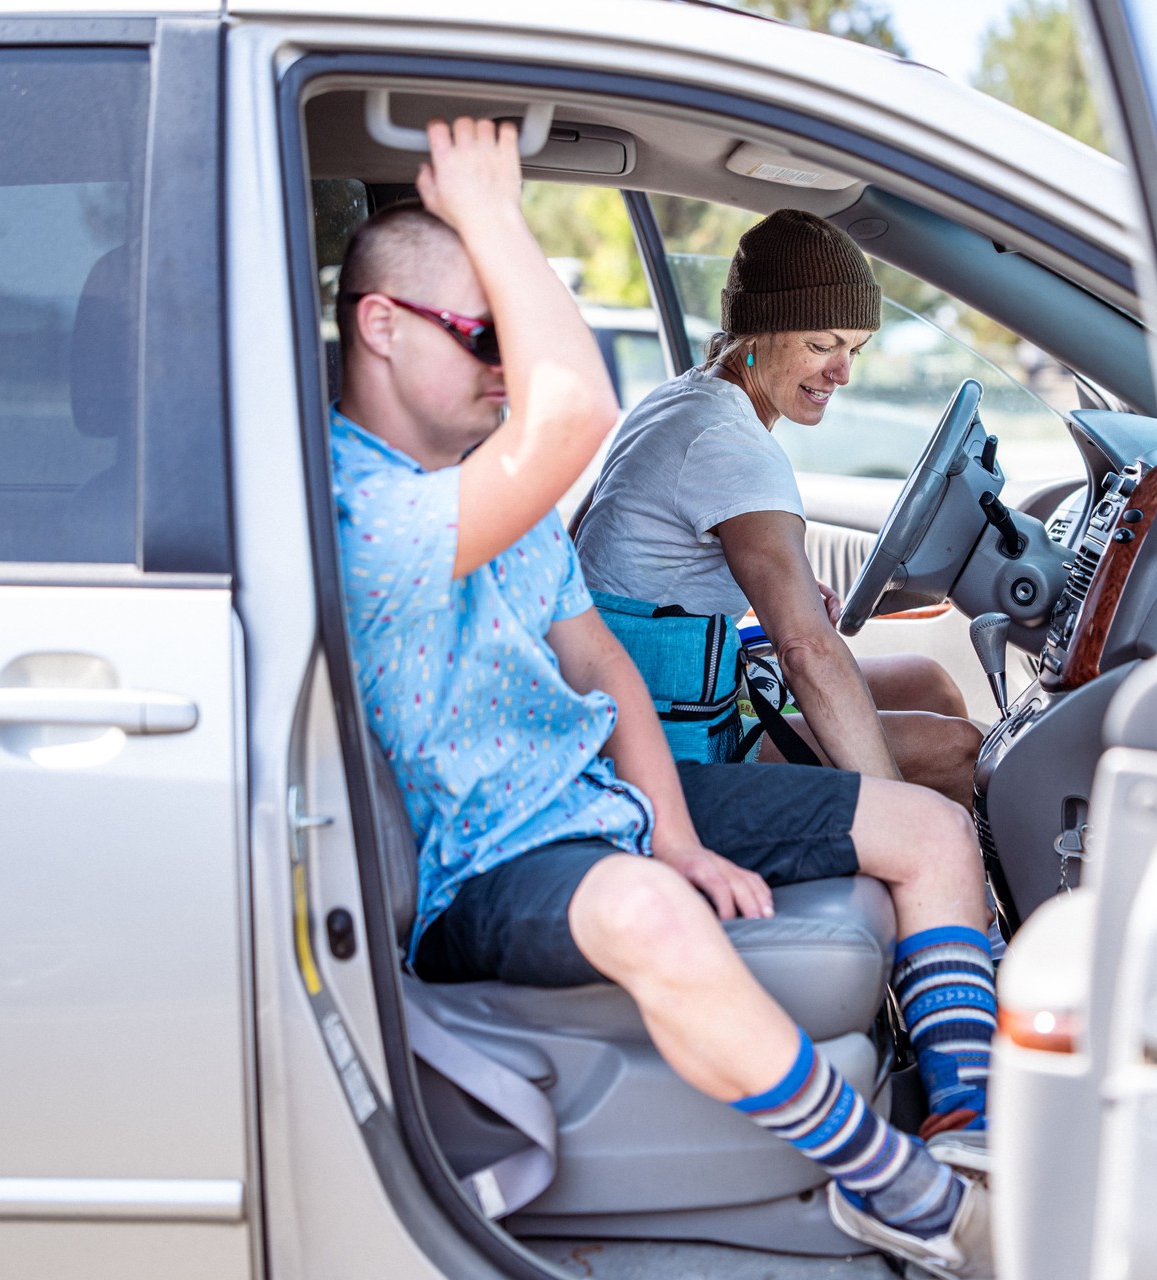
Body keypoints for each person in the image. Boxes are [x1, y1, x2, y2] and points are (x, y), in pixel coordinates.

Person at [330, 119, 995, 1277]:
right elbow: (570, 410)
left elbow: (606, 669)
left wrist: (678, 832)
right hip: (487, 863)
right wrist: (493, 213)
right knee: (646, 908)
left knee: (932, 827)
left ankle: (972, 1129)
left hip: (605, 801)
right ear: (379, 328)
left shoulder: (486, 488)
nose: (505, 369)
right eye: (485, 334)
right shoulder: (362, 507)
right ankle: (909, 1193)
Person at [572, 209, 983, 808]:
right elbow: (805, 650)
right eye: (822, 345)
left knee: (931, 683)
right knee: (959, 751)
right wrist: (903, 813)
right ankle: (935, 878)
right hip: (672, 742)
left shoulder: (679, 400)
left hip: (637, 700)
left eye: (855, 350)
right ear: (757, 332)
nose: (842, 372)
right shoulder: (729, 445)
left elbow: (596, 551)